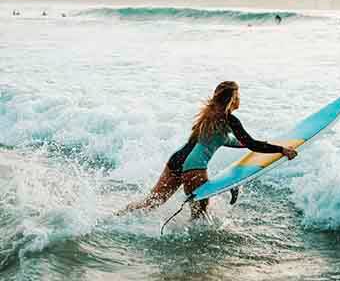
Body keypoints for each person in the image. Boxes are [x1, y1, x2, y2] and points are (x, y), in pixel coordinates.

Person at [117, 81, 298, 218]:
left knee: (151, 202)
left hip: (176, 160)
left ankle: (118, 217)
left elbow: (226, 141)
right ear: (232, 99)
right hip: (194, 167)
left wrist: (266, 144)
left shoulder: (207, 115)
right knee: (199, 216)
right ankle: (192, 254)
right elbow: (251, 144)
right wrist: (282, 150)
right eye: (238, 96)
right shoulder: (229, 119)